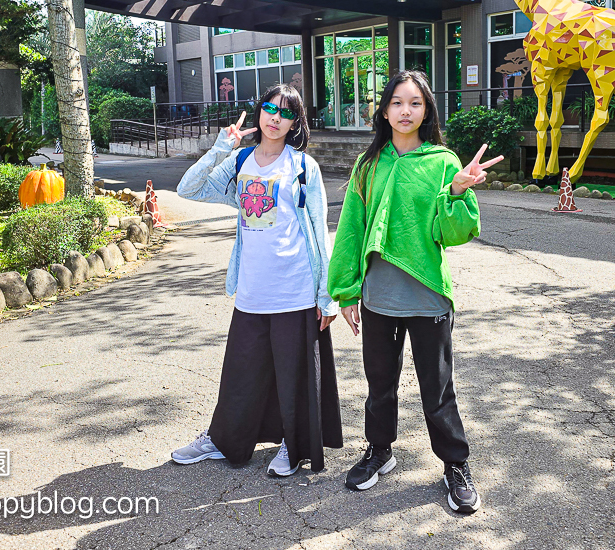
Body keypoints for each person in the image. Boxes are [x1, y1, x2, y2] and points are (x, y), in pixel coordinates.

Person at [327, 70, 502, 514]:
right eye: (398, 102)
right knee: (379, 385)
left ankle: (455, 464)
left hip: (428, 298)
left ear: (427, 111)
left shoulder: (443, 161)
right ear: (384, 111)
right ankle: (379, 450)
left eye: (415, 103)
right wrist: (346, 291)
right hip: (378, 298)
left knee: (437, 389)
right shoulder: (368, 164)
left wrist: (457, 190)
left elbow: (454, 233)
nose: (406, 111)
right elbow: (350, 230)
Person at [172, 84, 342, 477]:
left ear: (295, 123)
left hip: (295, 288)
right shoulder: (240, 161)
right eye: (270, 108)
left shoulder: (303, 168)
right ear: (259, 111)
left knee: (293, 376)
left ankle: (292, 446)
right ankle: (223, 439)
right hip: (252, 289)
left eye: (286, 112)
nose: (275, 118)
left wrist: (327, 296)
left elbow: (320, 232)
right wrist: (221, 147)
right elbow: (188, 188)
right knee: (241, 374)